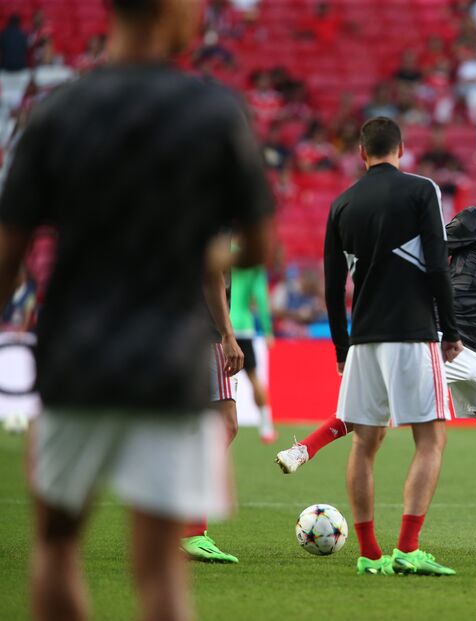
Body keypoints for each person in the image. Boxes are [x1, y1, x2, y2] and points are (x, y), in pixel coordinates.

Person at [0, 0, 274, 619]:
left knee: (56, 546)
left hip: (74, 356)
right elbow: (259, 247)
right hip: (169, 360)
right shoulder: (212, 113)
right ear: (175, 13)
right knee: (159, 570)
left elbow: (8, 257)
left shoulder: (56, 113)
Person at [277, 167, 476, 557]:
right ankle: (305, 449)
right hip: (444, 339)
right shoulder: (474, 221)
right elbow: (428, 253)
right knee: (381, 404)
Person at [322, 117, 463, 576]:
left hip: (362, 339)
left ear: (361, 153)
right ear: (401, 149)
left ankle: (368, 553)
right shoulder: (422, 191)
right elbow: (439, 266)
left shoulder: (342, 204)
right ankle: (407, 548)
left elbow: (331, 288)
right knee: (431, 439)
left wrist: (343, 349)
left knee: (364, 443)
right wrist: (452, 329)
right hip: (411, 332)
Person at [179, 263, 245, 564]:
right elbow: (212, 273)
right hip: (206, 334)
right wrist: (227, 334)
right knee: (223, 425)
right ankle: (191, 530)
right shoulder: (214, 217)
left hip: (179, 328)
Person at [230, 258, 276, 443]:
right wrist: (267, 330)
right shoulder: (253, 258)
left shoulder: (222, 252)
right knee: (254, 376)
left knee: (217, 378)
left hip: (221, 324)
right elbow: (261, 297)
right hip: (243, 327)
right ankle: (266, 427)